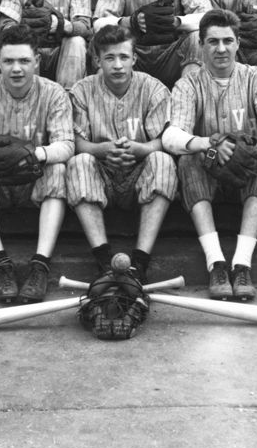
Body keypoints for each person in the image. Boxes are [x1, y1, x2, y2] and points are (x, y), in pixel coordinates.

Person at [161, 9, 257, 300]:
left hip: (246, 171)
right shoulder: (188, 84)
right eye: (213, 42)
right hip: (208, 167)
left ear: (238, 43)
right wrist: (207, 143)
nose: (221, 49)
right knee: (188, 159)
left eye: (227, 41)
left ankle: (242, 263)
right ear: (201, 45)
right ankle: (216, 263)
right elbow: (172, 136)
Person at [0, 24, 75, 304]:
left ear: (37, 61)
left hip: (34, 179)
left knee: (57, 168)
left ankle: (40, 265)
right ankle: (1, 264)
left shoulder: (54, 93)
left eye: (24, 61)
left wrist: (33, 155)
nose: (16, 68)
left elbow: (67, 144)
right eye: (8, 61)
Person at [66, 25, 176, 282]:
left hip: (139, 174)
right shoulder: (82, 90)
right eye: (110, 57)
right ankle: (104, 261)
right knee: (79, 162)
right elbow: (76, 143)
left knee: (162, 160)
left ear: (134, 58)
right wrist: (100, 150)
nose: (117, 65)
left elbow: (165, 140)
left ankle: (140, 262)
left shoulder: (154, 89)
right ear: (97, 59)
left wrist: (143, 149)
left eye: (124, 57)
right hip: (100, 175)